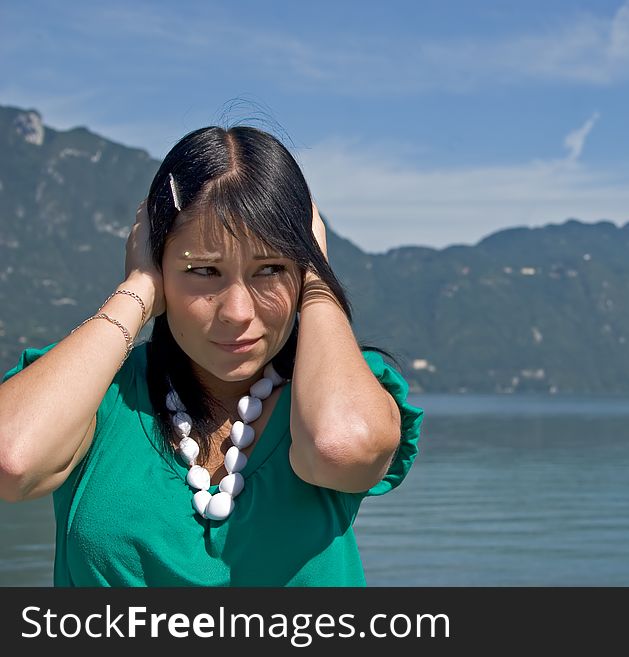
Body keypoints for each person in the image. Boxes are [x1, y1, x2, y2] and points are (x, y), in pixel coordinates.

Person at [0, 125, 424, 586]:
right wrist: (135, 289)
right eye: (202, 270)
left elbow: (341, 448)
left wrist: (318, 284)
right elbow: (13, 462)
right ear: (159, 265)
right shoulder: (96, 393)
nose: (237, 313)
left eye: (271, 269)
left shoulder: (337, 394)